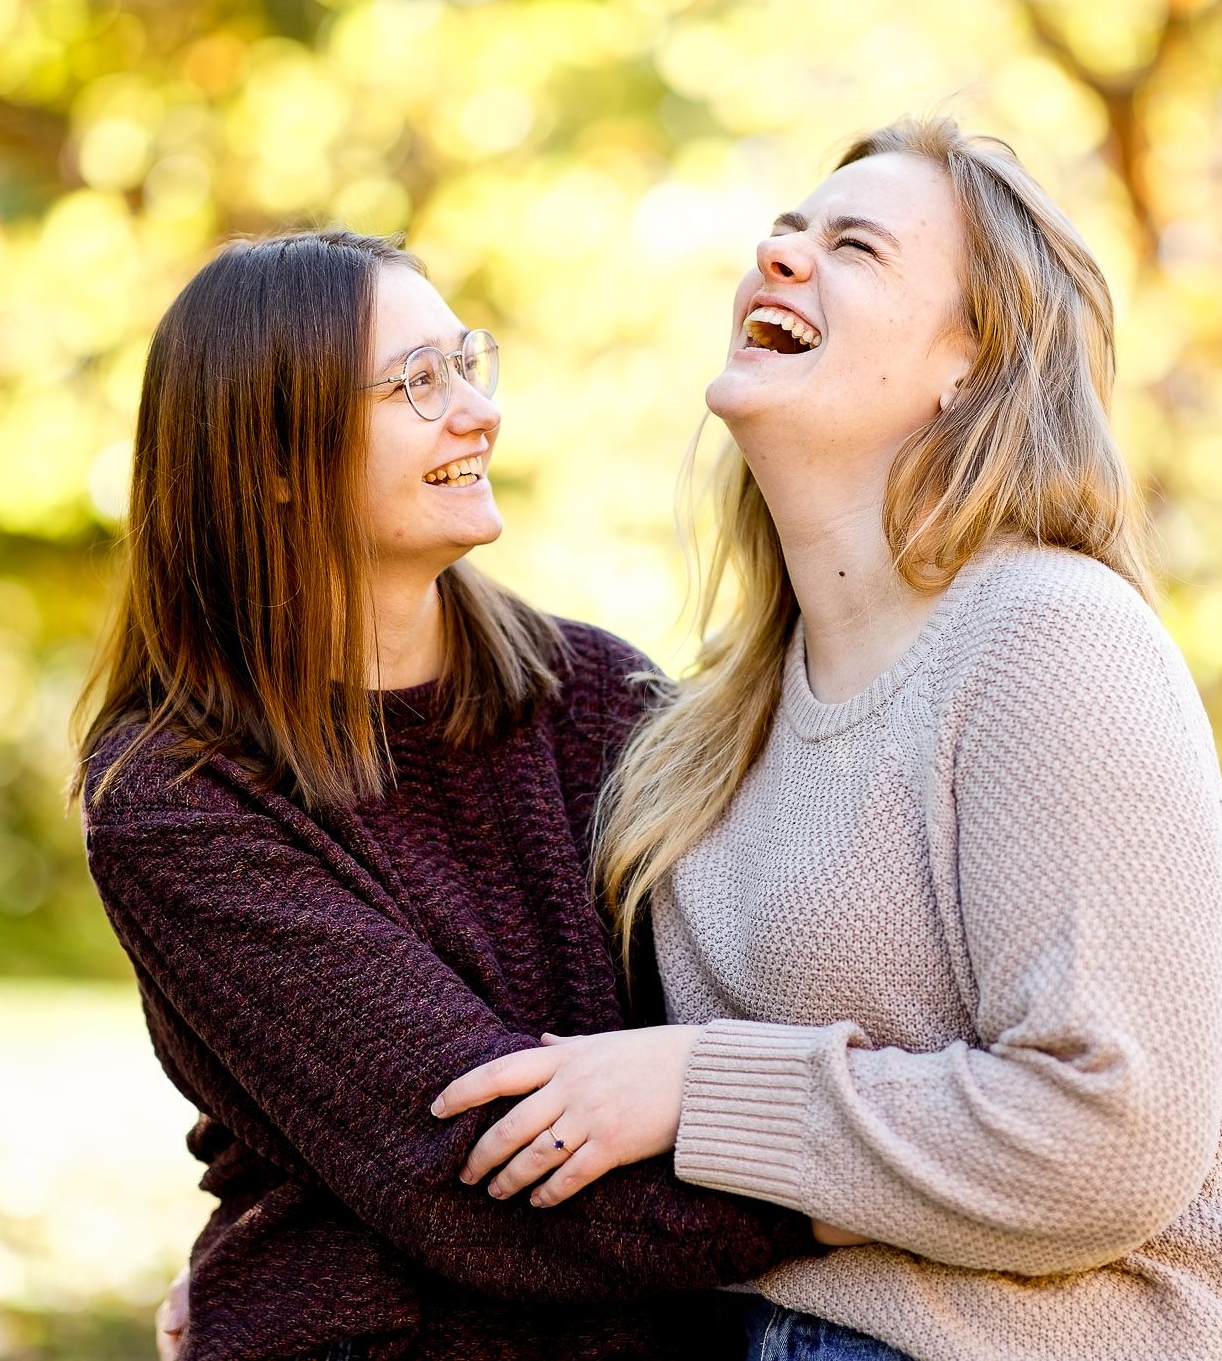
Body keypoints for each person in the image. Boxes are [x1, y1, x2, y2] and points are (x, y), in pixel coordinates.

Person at [436, 118, 1222, 1360]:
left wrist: (701, 1088)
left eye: (851, 245)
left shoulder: (1049, 639)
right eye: (785, 231)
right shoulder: (709, 729)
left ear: (968, 367)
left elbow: (1108, 1134)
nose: (779, 254)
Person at [72, 229, 822, 1361]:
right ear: (272, 456)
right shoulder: (176, 793)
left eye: (466, 363)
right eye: (417, 383)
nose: (475, 411)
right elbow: (471, 1171)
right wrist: (875, 1181)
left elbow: (762, 997)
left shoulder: (600, 696)